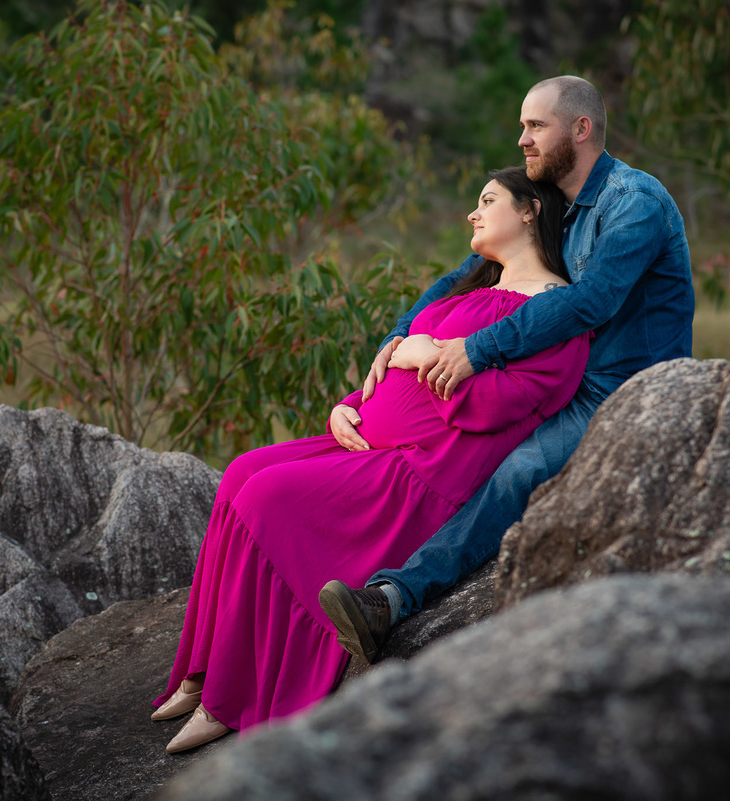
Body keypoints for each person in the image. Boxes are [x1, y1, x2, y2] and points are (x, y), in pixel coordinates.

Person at [151, 167, 592, 754]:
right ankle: (203, 668)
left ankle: (232, 698)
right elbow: (386, 375)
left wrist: (421, 351)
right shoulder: (468, 292)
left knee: (265, 498)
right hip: (365, 442)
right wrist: (348, 405)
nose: (473, 212)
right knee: (240, 473)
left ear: (531, 210)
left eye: (488, 200)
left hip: (423, 470)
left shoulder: (556, 314)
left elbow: (499, 407)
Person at [319, 75, 695, 664]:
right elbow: (462, 276)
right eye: (522, 126)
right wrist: (398, 338)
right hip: (564, 379)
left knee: (517, 473)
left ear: (581, 129)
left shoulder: (634, 204)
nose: (522, 139)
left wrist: (476, 350)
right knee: (463, 449)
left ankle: (391, 598)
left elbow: (589, 302)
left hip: (625, 390)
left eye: (534, 126)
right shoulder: (562, 204)